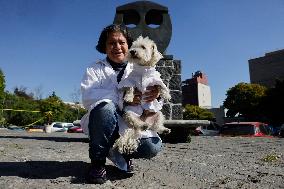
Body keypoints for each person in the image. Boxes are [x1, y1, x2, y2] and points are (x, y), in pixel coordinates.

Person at [80, 24, 163, 184]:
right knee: (105, 107)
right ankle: (97, 163)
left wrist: (156, 95)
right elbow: (88, 97)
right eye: (111, 43)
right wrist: (122, 97)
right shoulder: (94, 68)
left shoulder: (140, 67)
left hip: (130, 125)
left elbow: (155, 97)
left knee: (152, 146)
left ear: (128, 44)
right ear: (104, 47)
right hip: (102, 124)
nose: (117, 47)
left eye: (121, 42)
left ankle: (124, 154)